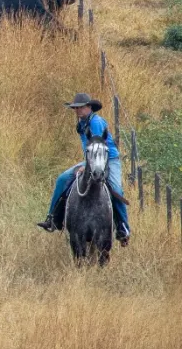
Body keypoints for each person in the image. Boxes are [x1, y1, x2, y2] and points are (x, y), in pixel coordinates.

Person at [38, 93, 130, 245]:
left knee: (116, 189)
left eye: (80, 107)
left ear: (89, 107)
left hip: (109, 160)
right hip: (90, 160)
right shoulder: (82, 123)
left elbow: (97, 147)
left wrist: (86, 166)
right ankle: (53, 218)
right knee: (62, 179)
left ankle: (123, 228)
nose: (77, 111)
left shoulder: (96, 122)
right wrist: (86, 164)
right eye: (75, 108)